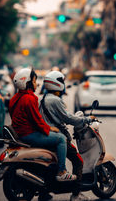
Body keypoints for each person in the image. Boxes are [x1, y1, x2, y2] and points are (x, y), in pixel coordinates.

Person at [9, 68, 77, 188]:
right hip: (28, 134)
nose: (37, 84)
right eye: (34, 82)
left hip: (21, 132)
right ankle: (62, 171)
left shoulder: (16, 98)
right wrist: (49, 129)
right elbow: (37, 120)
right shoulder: (29, 99)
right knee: (61, 138)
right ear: (27, 83)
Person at [39, 70, 95, 201]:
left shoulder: (45, 98)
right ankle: (76, 194)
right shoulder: (55, 100)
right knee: (78, 161)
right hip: (56, 135)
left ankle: (44, 193)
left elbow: (65, 116)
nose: (63, 84)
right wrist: (86, 119)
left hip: (47, 134)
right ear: (56, 83)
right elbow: (68, 118)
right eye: (62, 81)